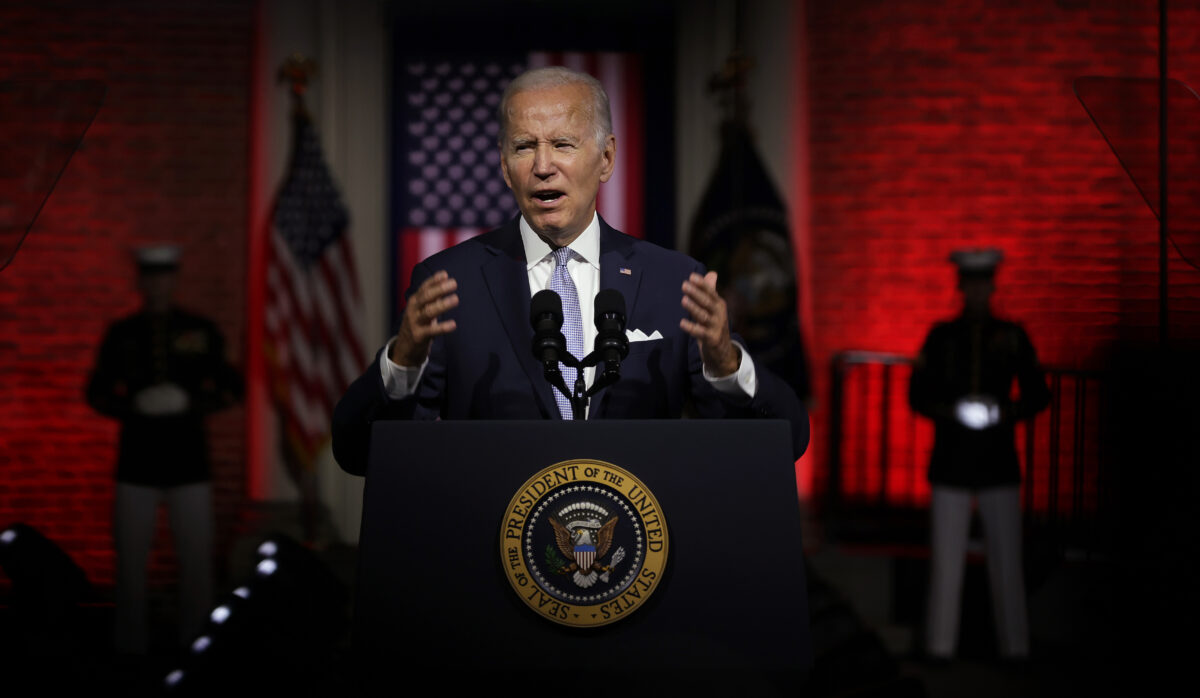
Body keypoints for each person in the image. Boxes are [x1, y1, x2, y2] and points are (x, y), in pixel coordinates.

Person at [332, 66, 808, 476]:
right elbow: (356, 453)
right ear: (503, 166)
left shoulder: (673, 283)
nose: (543, 166)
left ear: (605, 159)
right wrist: (401, 366)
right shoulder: (450, 284)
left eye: (562, 144)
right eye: (523, 147)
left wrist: (729, 369)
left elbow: (785, 441)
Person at [85, 245, 242, 655]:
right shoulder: (123, 334)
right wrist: (131, 406)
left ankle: (197, 645)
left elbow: (230, 387)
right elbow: (96, 393)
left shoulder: (200, 330)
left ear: (173, 280)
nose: (157, 285)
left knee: (196, 563)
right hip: (136, 463)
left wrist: (190, 403)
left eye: (164, 276)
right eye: (150, 277)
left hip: (189, 462)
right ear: (141, 281)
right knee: (130, 563)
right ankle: (129, 647)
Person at [908, 248, 1050, 664]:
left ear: (991, 286)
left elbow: (1038, 393)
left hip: (996, 460)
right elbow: (918, 394)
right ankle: (940, 647)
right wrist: (952, 411)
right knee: (946, 561)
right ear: (961, 287)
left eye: (982, 283)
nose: (976, 291)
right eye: (970, 283)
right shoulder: (941, 337)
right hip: (952, 458)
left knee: (1007, 560)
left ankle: (1015, 648)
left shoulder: (1012, 336)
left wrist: (1002, 411)